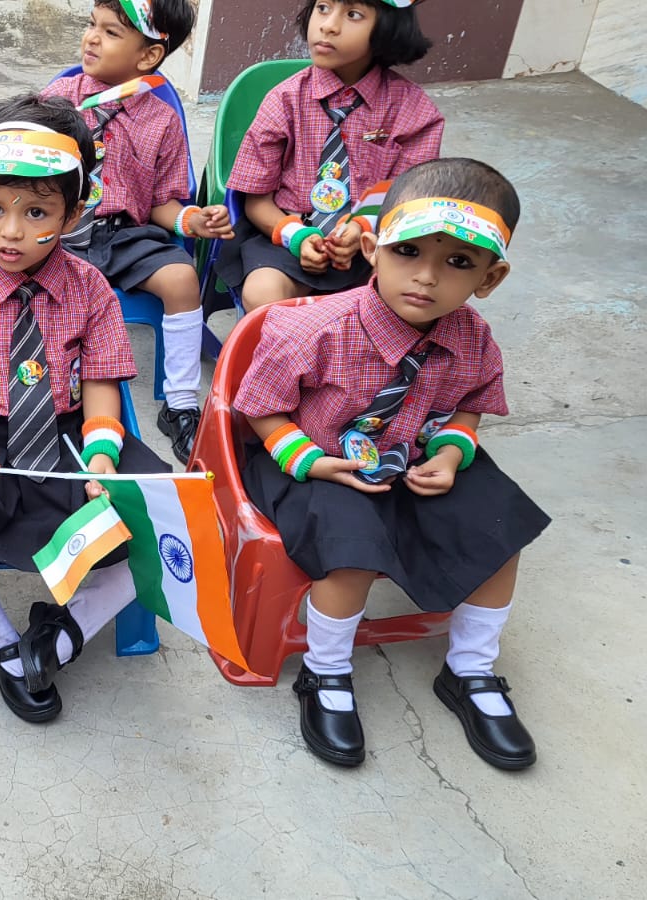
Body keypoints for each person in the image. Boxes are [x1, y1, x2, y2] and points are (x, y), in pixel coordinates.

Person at [234, 157, 548, 770]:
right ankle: (326, 671)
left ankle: (471, 670)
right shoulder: (313, 328)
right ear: (372, 249)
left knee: (499, 533)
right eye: (408, 251)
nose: (427, 277)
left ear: (490, 277)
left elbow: (469, 405)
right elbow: (259, 410)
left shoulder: (473, 337)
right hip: (317, 458)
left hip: (416, 456)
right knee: (350, 550)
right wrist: (309, 462)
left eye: (459, 262)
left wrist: (452, 452)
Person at [0, 95, 170, 723]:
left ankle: (64, 631)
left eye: (37, 212)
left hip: (68, 436)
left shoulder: (91, 288)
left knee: (161, 520)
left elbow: (101, 380)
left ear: (74, 212)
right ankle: (3, 646)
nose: (11, 232)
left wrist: (102, 453)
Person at [41, 0, 233, 460]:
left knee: (181, 278)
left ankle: (181, 403)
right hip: (60, 229)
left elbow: (163, 202)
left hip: (124, 233)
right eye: (92, 25)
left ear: (148, 55)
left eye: (110, 33)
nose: (91, 37)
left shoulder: (161, 119)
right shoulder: (58, 99)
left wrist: (193, 220)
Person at [220, 0, 442, 313]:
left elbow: (411, 198)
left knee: (414, 298)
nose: (328, 25)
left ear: (388, 28)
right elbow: (256, 201)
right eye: (323, 7)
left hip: (377, 242)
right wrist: (298, 237)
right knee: (263, 292)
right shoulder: (283, 100)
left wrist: (362, 226)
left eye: (353, 14)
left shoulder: (414, 111)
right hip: (287, 233)